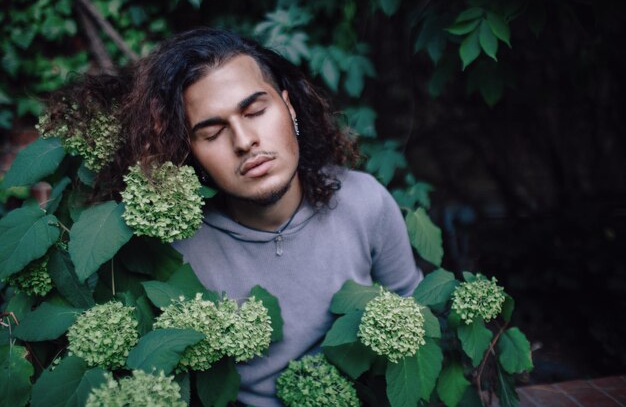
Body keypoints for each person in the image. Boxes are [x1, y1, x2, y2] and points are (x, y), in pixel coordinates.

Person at [116, 28, 423, 406]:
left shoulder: (365, 202)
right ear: (188, 150)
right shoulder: (174, 249)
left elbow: (417, 311)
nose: (244, 141)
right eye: (212, 132)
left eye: (256, 111)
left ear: (289, 107)